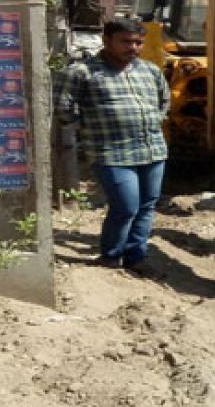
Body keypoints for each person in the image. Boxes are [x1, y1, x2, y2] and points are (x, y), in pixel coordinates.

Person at [55, 18, 169, 276]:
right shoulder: (82, 72)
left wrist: (153, 119)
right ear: (107, 41)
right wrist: (91, 130)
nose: (133, 47)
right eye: (126, 42)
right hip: (111, 153)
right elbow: (64, 108)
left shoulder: (149, 71)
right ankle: (111, 256)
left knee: (147, 206)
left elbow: (164, 100)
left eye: (138, 42)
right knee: (126, 206)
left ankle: (136, 256)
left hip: (152, 150)